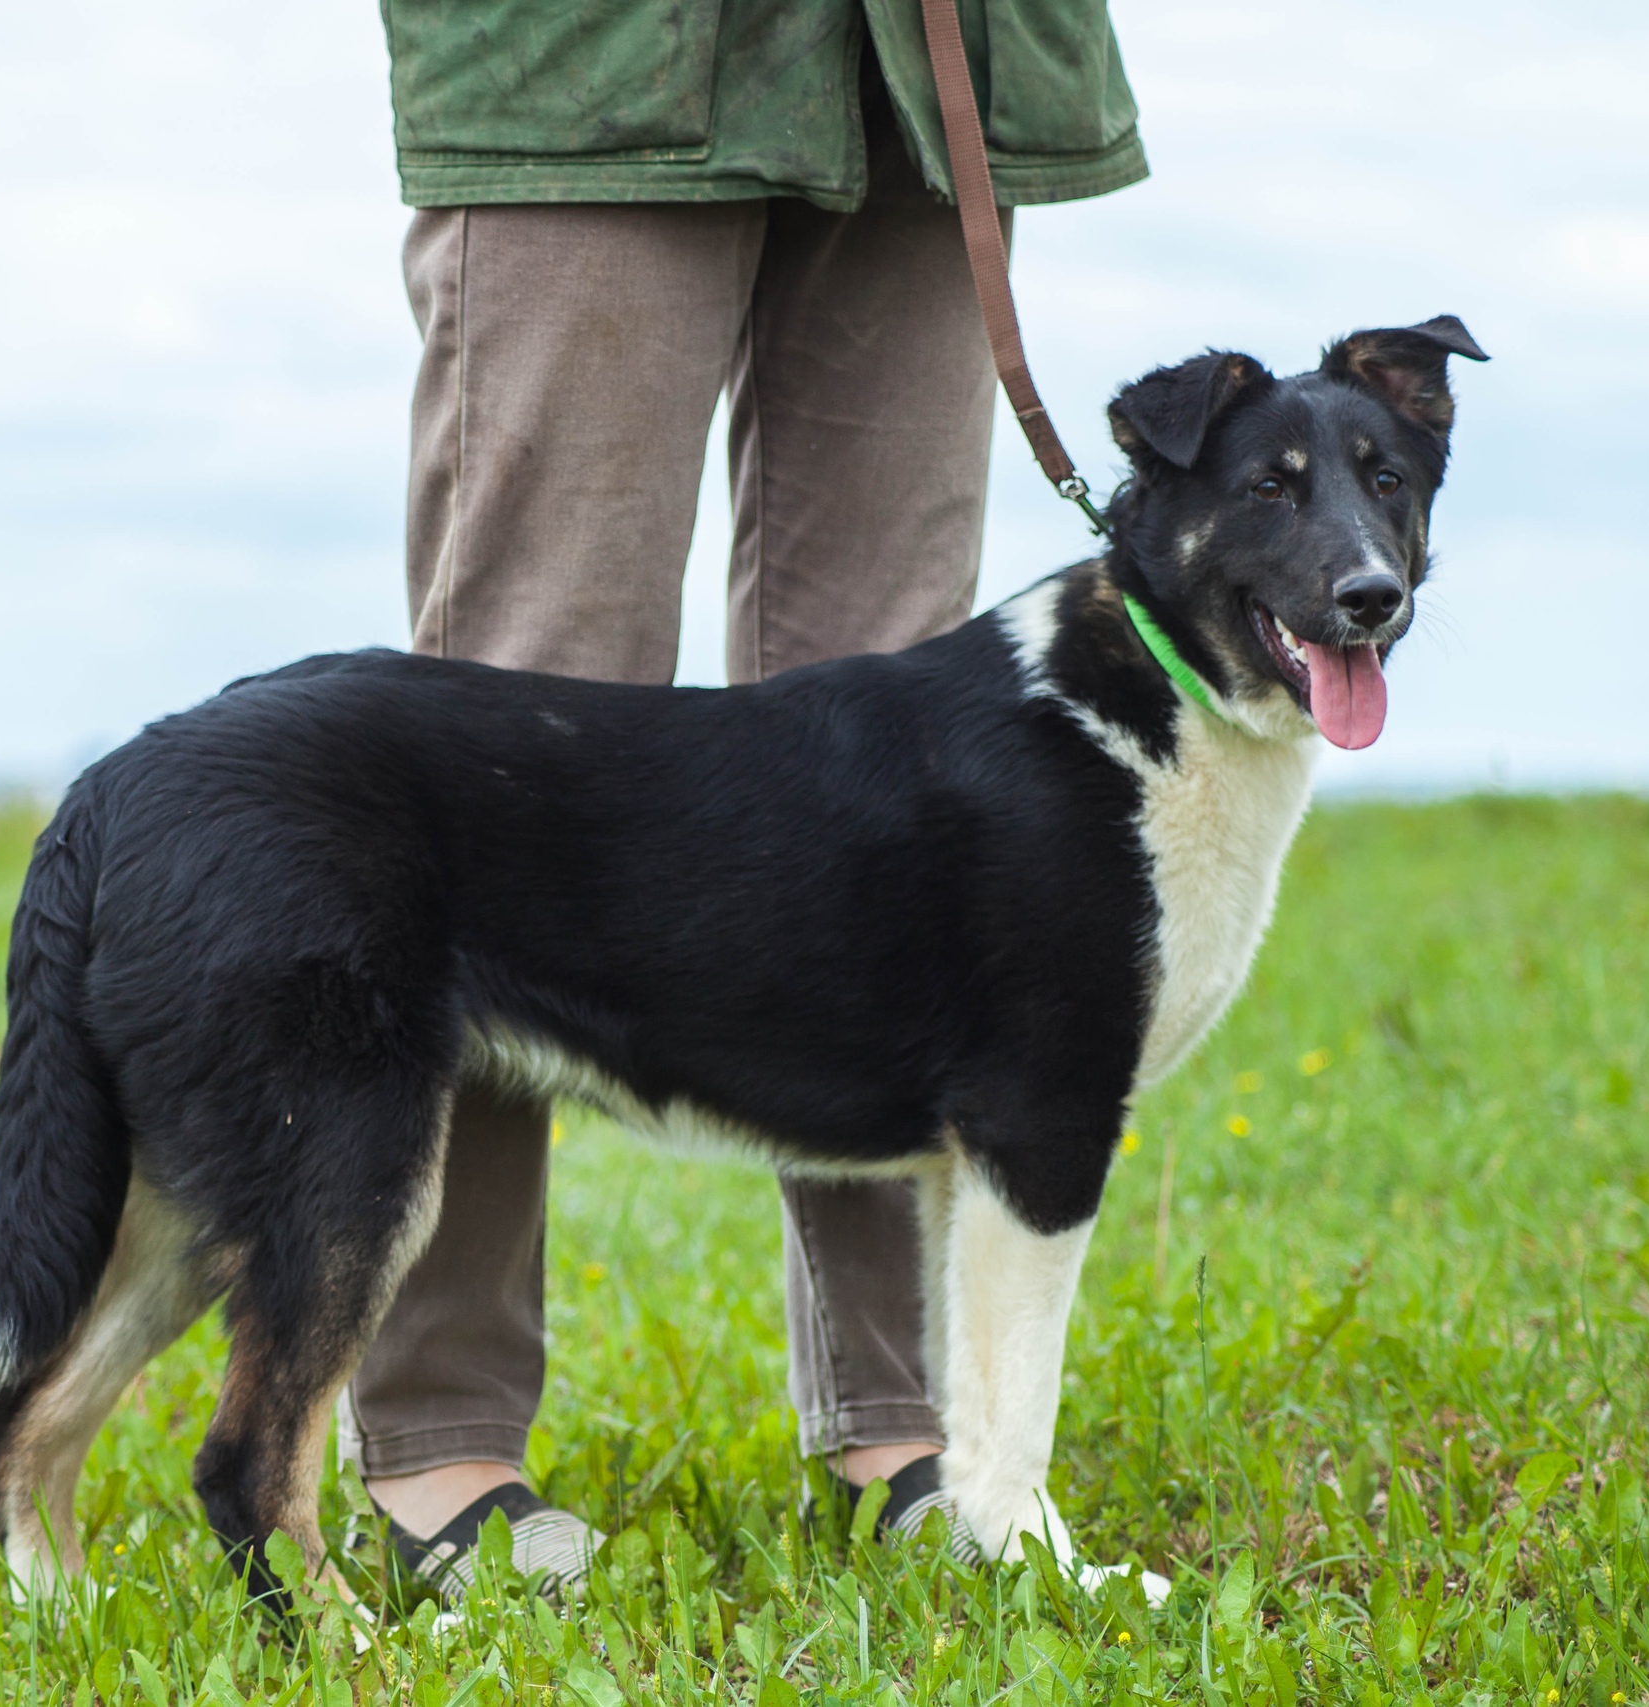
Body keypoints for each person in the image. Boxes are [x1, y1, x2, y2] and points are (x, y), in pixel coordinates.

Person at [343, 0, 1150, 1600]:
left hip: (926, 69)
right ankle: (441, 1433)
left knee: (920, 781)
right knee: (518, 744)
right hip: (586, 75)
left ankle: (899, 1427)